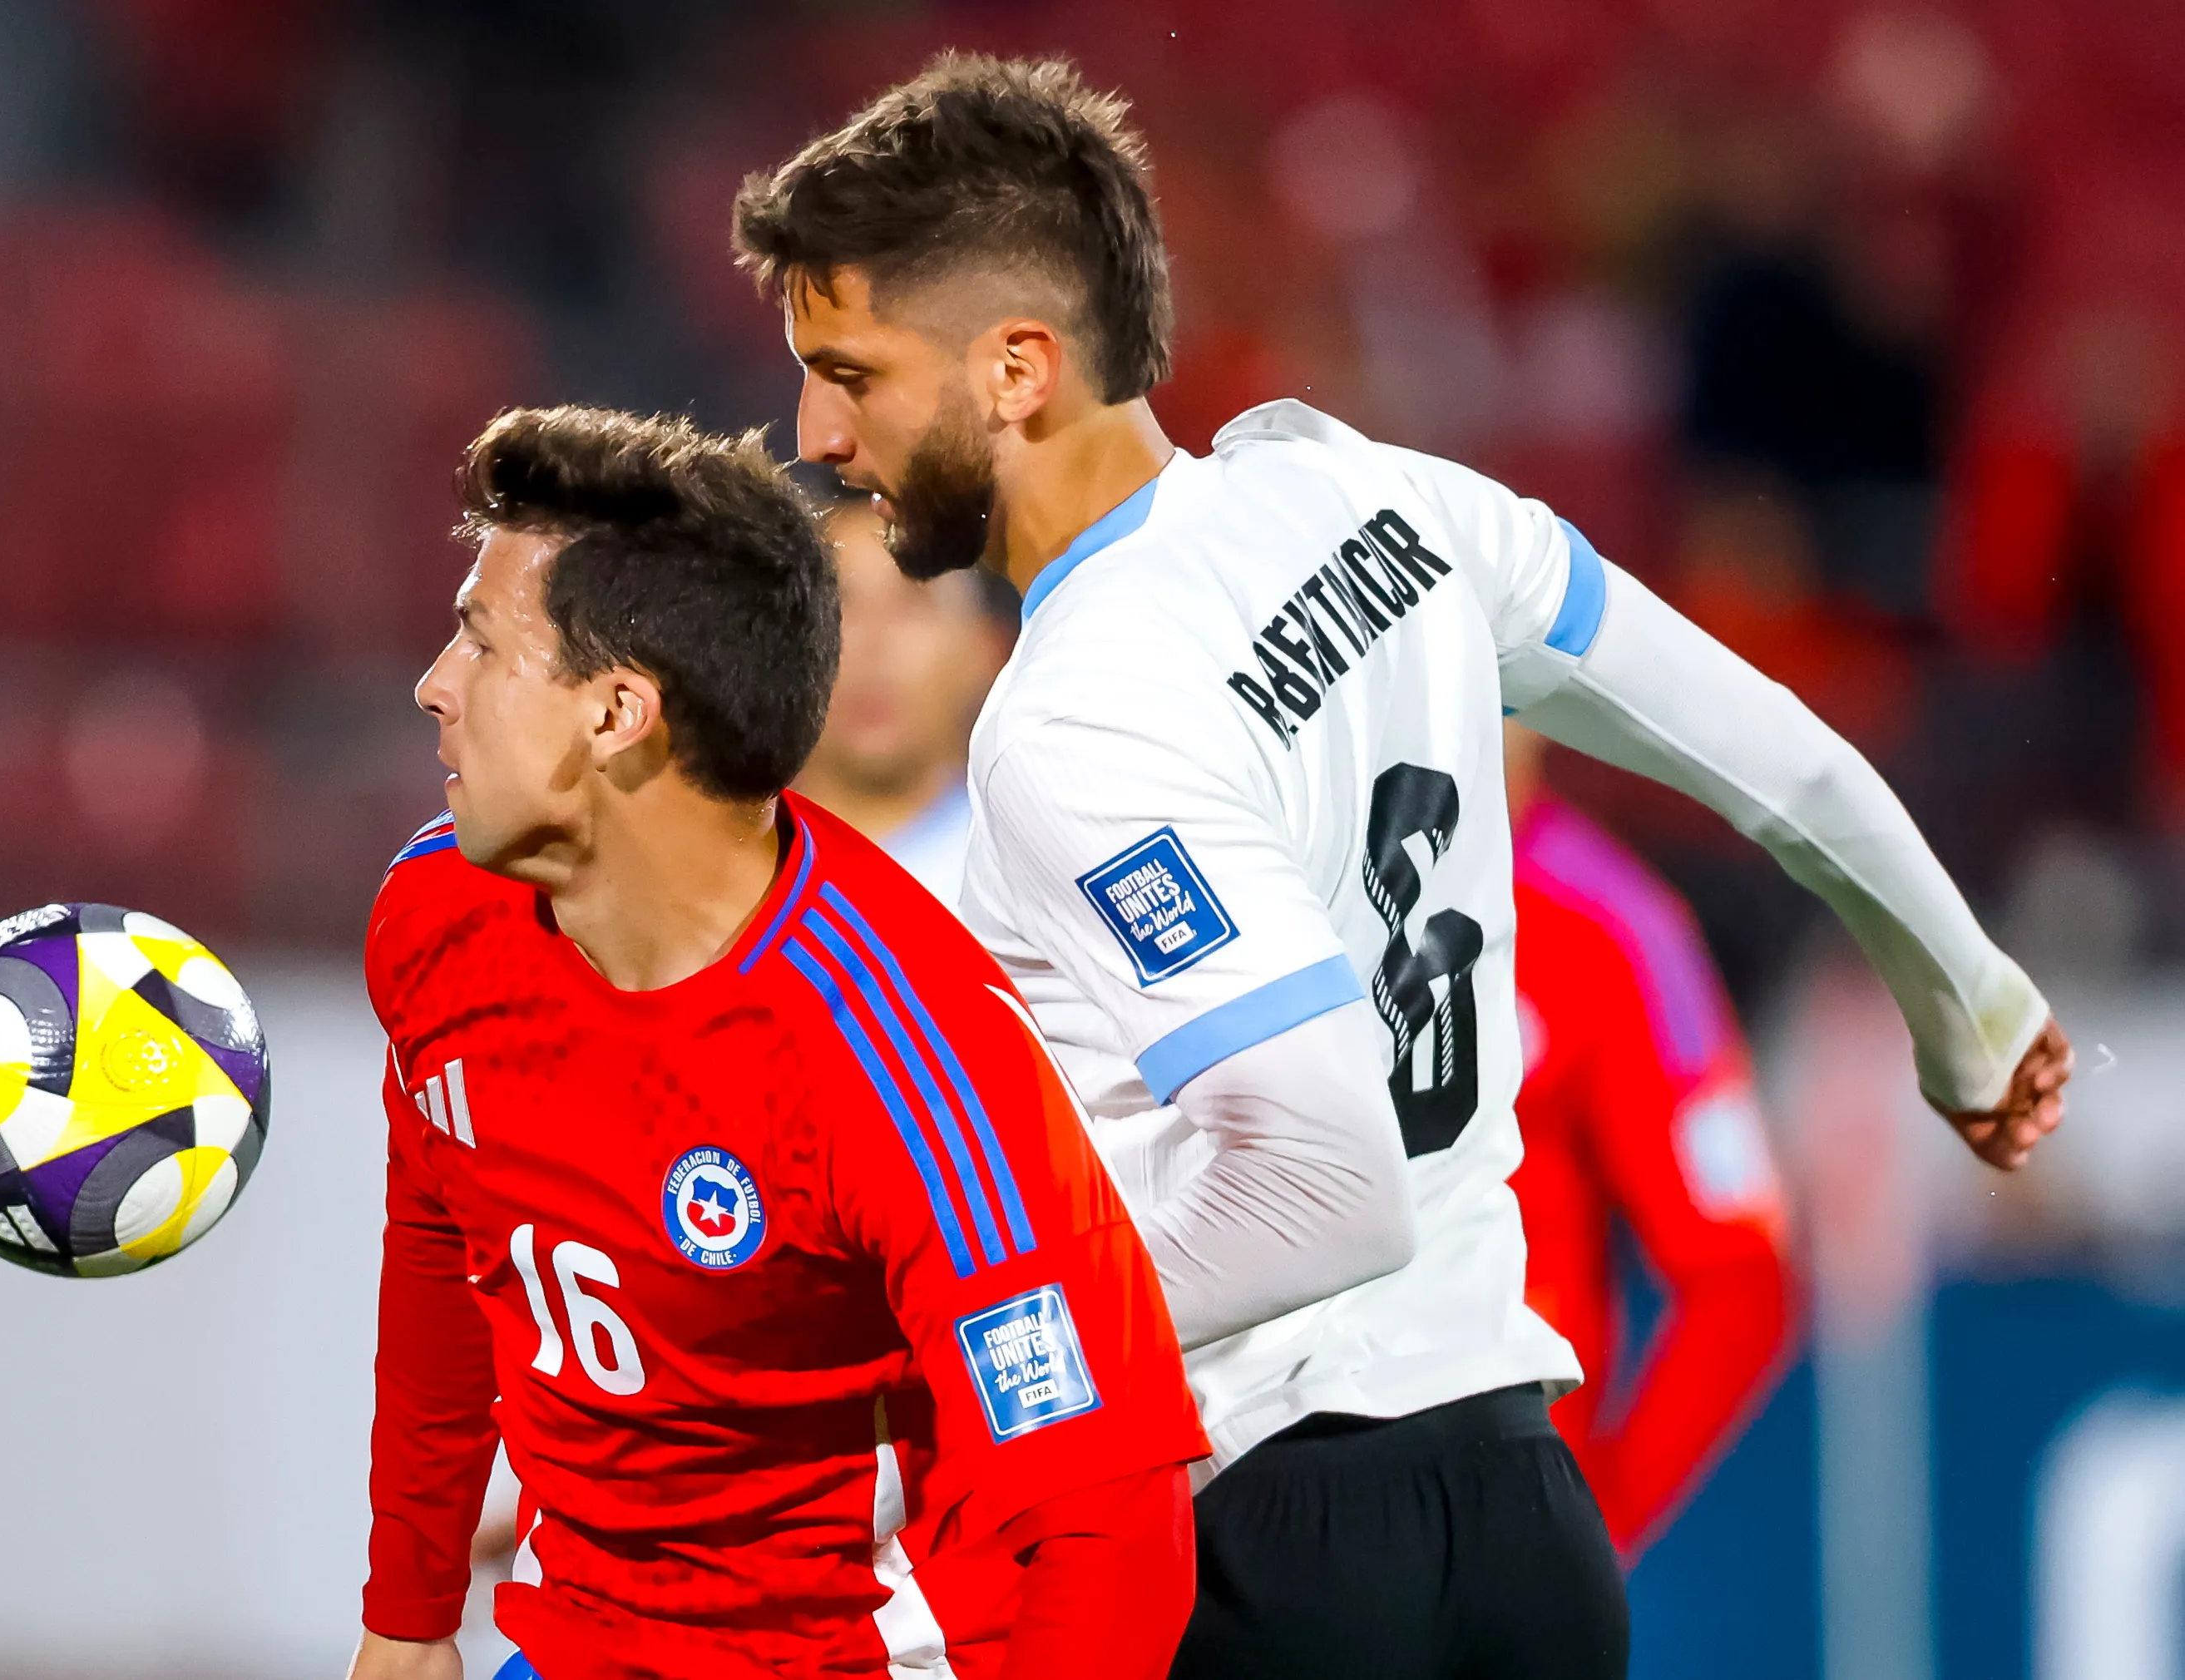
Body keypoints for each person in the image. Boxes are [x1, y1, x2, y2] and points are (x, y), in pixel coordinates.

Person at [732, 54, 2072, 1679]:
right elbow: (1779, 755)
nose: (814, 433)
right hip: (1518, 1517)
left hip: (1270, 1536)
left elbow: (1321, 1185)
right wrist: (1974, 1008)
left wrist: (914, 1363)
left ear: (1016, 366)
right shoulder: (1387, 501)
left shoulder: (1074, 715)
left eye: (847, 370)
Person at [346, 405, 1208, 1680]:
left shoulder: (910, 1059)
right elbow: (438, 1233)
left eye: (480, 642)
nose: (434, 684)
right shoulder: (438, 918)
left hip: (856, 1658)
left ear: (616, 714)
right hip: (573, 1643)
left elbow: (1117, 1526)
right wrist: (407, 1619)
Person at [1504, 724, 1796, 1561]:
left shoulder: (1614, 922)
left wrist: (1588, 1539)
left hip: (1494, 1518)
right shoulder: (1282, 880)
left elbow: (1741, 1277)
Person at [795, 498, 1016, 905]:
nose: (873, 643)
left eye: (913, 604)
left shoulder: (1031, 880)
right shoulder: (701, 873)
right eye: (839, 607)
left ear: (989, 650)